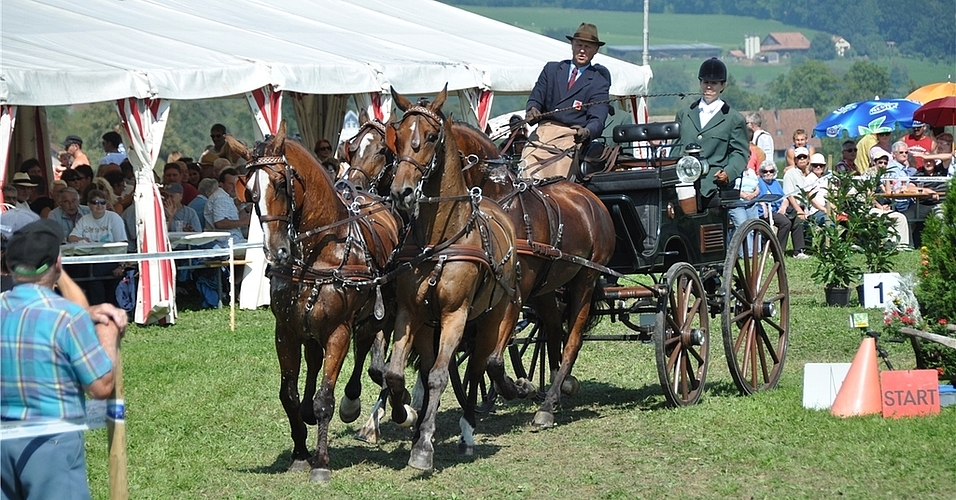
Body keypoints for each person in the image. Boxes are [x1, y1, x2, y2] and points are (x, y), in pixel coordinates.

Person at [1, 218, 126, 500]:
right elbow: (100, 386)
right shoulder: (67, 317)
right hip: (52, 444)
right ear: (57, 264)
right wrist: (107, 332)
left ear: (9, 267)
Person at [521, 22, 611, 179]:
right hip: (543, 132)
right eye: (579, 45)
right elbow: (536, 98)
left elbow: (598, 118)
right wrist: (532, 110)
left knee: (558, 177)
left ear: (596, 51)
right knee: (527, 160)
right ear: (572, 45)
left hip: (570, 137)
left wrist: (587, 131)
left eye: (588, 47)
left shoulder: (598, 81)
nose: (582, 50)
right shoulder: (551, 70)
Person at [674, 57, 749, 207]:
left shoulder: (733, 118)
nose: (709, 87)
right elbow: (676, 146)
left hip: (712, 181)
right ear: (700, 82)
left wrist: (728, 172)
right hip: (683, 176)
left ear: (723, 85)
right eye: (705, 82)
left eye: (714, 83)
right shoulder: (685, 113)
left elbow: (740, 153)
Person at [68, 189, 128, 305]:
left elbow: (122, 243)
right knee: (71, 272)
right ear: (89, 205)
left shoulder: (114, 218)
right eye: (95, 202)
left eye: (102, 202)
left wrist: (121, 265)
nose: (99, 205)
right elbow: (71, 237)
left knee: (95, 274)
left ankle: (100, 308)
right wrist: (81, 239)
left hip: (111, 258)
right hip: (89, 259)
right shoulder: (85, 219)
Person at [781, 146, 814, 258]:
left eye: (804, 157)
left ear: (808, 159)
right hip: (792, 207)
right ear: (795, 160)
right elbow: (790, 194)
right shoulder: (790, 173)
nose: (802, 159)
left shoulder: (810, 174)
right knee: (797, 220)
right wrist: (799, 210)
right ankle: (798, 251)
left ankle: (806, 248)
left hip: (807, 206)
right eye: (799, 157)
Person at [204, 168, 249, 244]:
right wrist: (244, 222)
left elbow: (234, 219)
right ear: (221, 184)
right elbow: (219, 223)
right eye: (230, 184)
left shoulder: (225, 196)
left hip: (232, 242)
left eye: (236, 183)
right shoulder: (221, 198)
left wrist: (246, 209)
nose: (234, 187)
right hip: (226, 245)